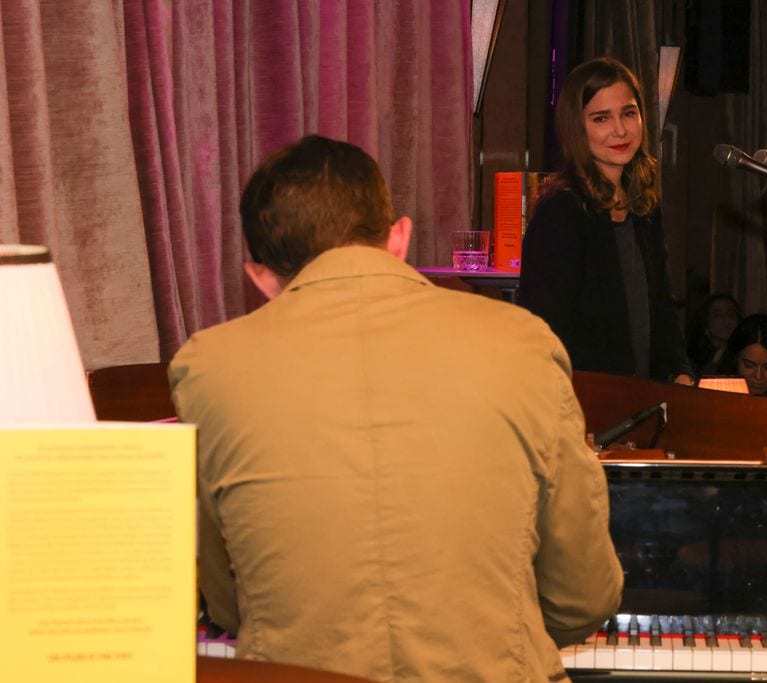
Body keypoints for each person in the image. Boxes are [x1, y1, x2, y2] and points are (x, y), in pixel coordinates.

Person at [168, 136, 623, 682]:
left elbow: (227, 603)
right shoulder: (524, 342)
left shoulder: (207, 370)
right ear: (399, 238)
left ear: (260, 278)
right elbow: (585, 595)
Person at [518, 56, 694, 384]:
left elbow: (661, 305)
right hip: (587, 400)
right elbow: (546, 329)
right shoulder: (562, 210)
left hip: (644, 396)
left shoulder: (643, 204)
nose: (620, 129)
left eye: (629, 113)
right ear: (577, 127)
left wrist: (679, 370)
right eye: (602, 118)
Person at [687, 292, 741, 375]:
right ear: (706, 323)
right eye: (717, 315)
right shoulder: (692, 358)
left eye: (731, 315)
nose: (726, 319)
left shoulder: (744, 354)